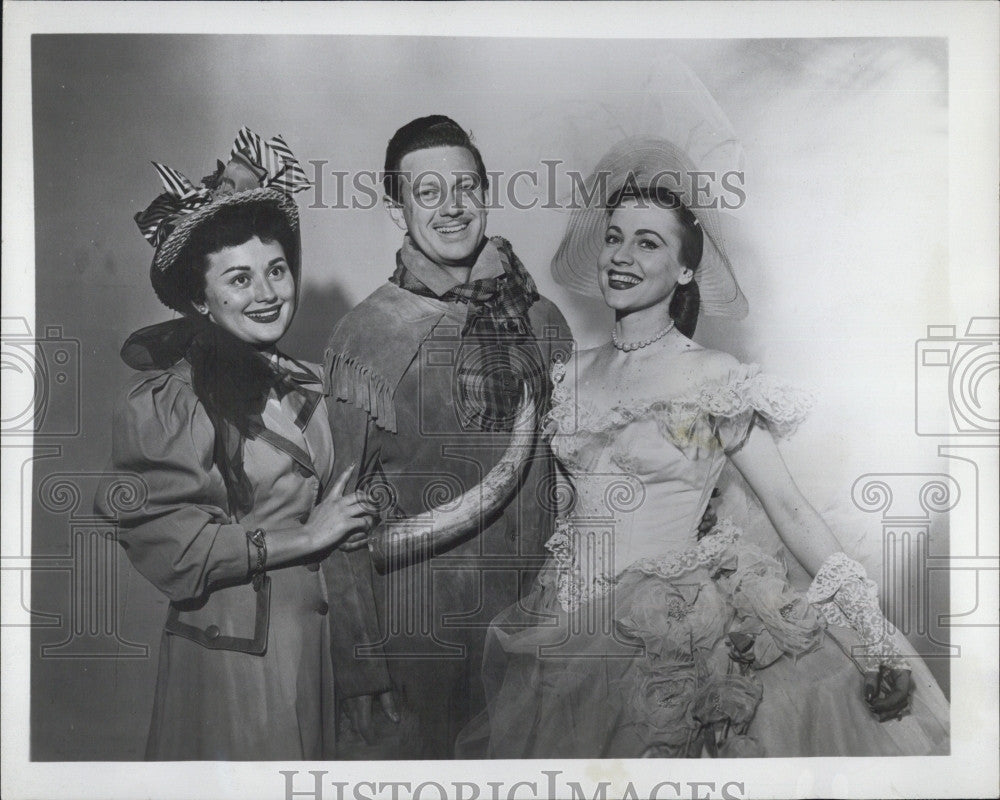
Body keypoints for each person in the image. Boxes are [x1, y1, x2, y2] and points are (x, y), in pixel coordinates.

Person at [456, 136, 951, 758]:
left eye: (648, 242)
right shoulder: (569, 371)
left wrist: (874, 643)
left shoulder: (715, 377)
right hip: (565, 630)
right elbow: (560, 509)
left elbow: (788, 508)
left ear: (687, 269)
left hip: (673, 635)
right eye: (615, 236)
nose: (622, 256)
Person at [95, 129, 377, 760]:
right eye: (240, 278)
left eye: (277, 270)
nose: (268, 293)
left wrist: (348, 519)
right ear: (201, 296)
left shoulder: (303, 380)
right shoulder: (173, 399)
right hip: (234, 665)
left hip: (313, 651)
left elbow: (316, 495)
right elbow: (171, 544)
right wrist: (308, 538)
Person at [320, 115, 575, 759]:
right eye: (427, 192)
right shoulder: (365, 335)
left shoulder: (542, 319)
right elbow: (334, 519)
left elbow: (575, 475)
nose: (452, 208)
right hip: (418, 634)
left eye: (465, 187)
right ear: (396, 208)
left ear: (485, 193)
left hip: (536, 623)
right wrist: (359, 665)